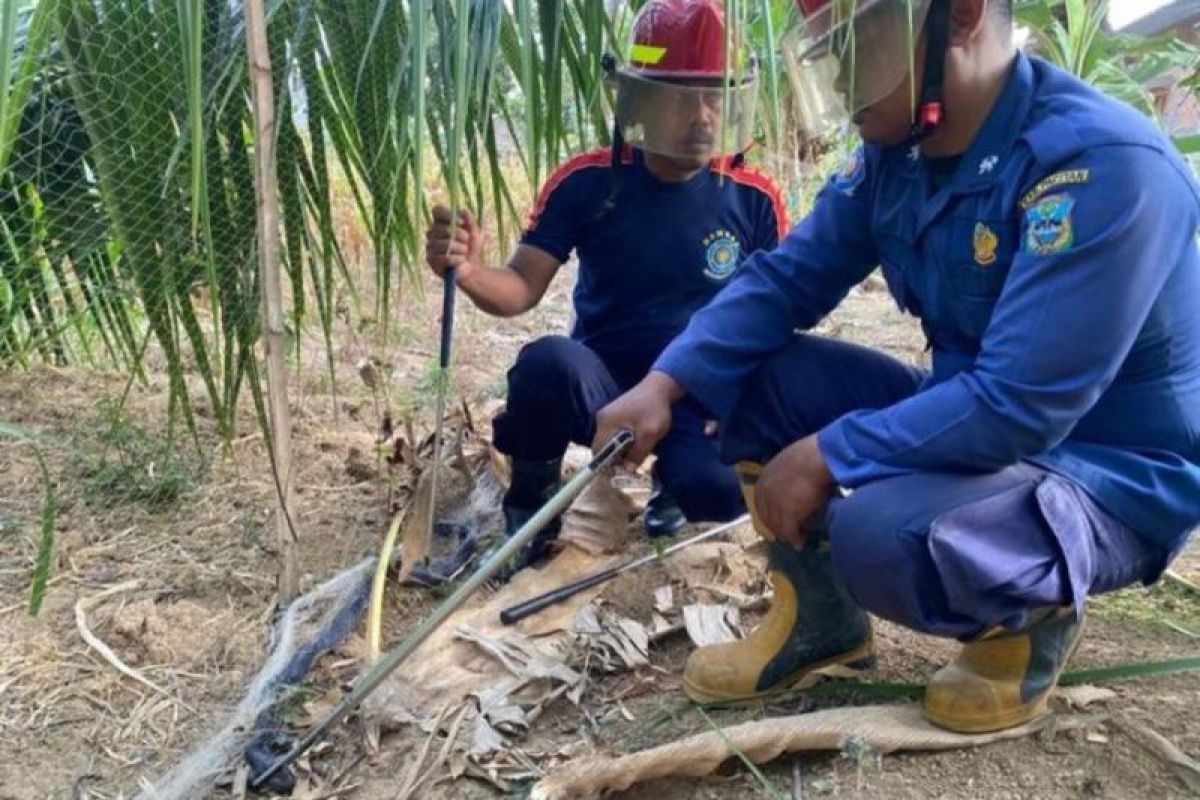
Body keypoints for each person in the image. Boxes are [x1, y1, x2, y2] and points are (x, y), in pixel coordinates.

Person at [593, 0, 1200, 733]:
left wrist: (829, 452)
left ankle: (1028, 622)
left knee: (881, 535)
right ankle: (819, 625)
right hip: (974, 422)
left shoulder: (1098, 166)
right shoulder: (900, 154)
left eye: (854, 44)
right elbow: (786, 280)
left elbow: (1021, 403)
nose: (840, 76)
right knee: (749, 374)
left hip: (1104, 473)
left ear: (962, 15)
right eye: (825, 50)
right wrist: (663, 384)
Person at [425, 0, 788, 571]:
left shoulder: (754, 198)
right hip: (606, 383)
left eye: (716, 95)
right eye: (681, 96)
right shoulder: (588, 182)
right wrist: (468, 272)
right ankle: (531, 508)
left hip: (699, 388)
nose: (703, 116)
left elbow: (776, 313)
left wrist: (744, 392)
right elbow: (520, 286)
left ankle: (676, 482)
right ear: (635, 97)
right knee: (546, 364)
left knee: (717, 492)